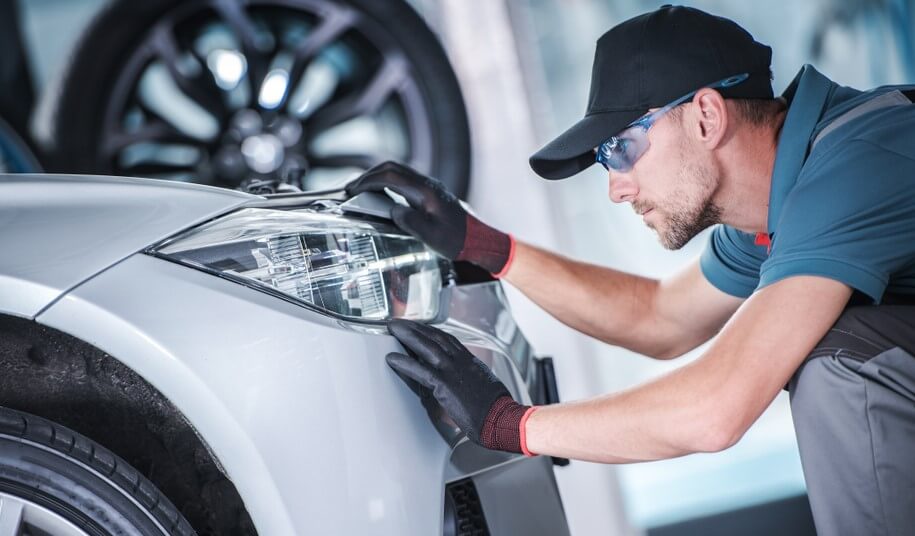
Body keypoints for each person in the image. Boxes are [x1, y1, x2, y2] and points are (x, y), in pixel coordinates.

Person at [345, 5, 915, 534]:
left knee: (836, 361)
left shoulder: (861, 159)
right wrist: (483, 244)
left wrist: (511, 425)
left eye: (620, 149)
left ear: (707, 115)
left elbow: (717, 406)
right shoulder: (776, 210)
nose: (617, 189)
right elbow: (660, 317)